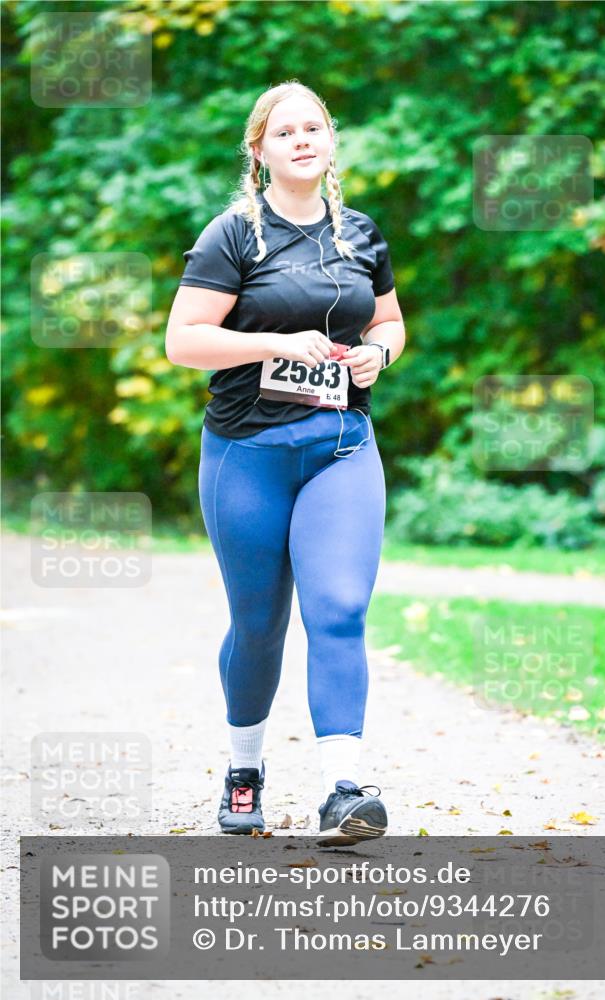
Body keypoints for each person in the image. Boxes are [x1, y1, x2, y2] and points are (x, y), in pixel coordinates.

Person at [165, 80, 405, 847]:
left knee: (337, 608)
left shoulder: (360, 234)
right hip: (246, 451)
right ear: (259, 151)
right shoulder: (232, 235)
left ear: (330, 142)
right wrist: (273, 343)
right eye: (284, 131)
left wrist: (376, 354)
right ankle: (244, 771)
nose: (302, 139)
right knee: (259, 623)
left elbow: (392, 321)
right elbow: (184, 342)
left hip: (340, 447)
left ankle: (344, 790)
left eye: (314, 128)